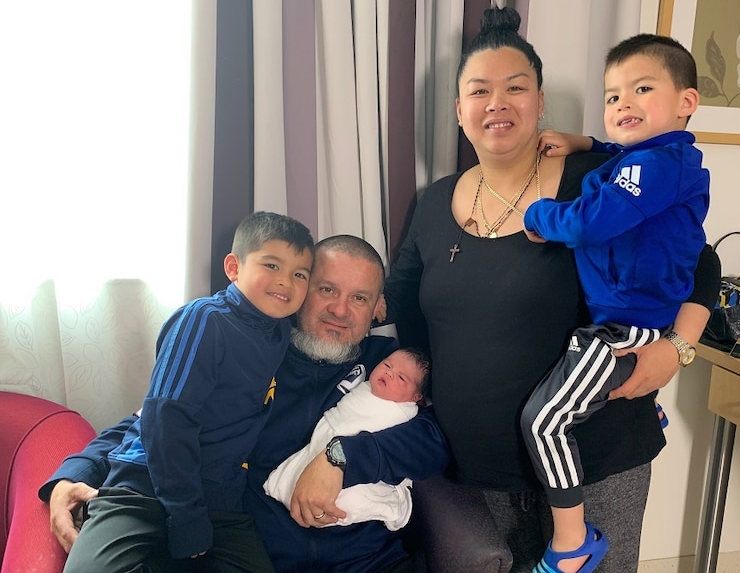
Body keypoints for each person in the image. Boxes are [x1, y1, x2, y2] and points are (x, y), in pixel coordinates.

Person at [382, 6, 720, 573]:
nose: (497, 103)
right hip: (475, 469)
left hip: (597, 461)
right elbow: (405, 304)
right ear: (460, 110)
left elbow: (700, 261)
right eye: (479, 91)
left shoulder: (595, 178)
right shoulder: (434, 203)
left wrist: (676, 349)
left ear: (540, 103)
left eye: (516, 88)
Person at [41, 235, 450, 573]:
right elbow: (156, 418)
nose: (340, 310)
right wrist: (74, 473)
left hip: (366, 560)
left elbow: (435, 439)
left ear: (378, 307)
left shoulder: (389, 366)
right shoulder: (248, 350)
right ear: (302, 289)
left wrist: (339, 456)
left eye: (359, 298)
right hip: (263, 554)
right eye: (327, 289)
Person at [519, 34, 709, 573]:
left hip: (628, 326)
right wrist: (586, 143)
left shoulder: (659, 167)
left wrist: (539, 216)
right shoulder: (651, 160)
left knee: (545, 423)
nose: (622, 103)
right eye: (611, 95)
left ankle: (572, 541)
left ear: (686, 103)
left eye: (641, 89)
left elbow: (589, 220)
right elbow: (625, 162)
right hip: (624, 319)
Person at [60, 211, 314, 572]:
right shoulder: (205, 319)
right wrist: (186, 517)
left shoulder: (279, 334)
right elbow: (167, 417)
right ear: (233, 267)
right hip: (145, 486)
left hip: (222, 500)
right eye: (271, 265)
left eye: (299, 274)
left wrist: (383, 306)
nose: (285, 282)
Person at [263, 347, 429, 531]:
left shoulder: (405, 415)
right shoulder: (364, 387)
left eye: (401, 378)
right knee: (292, 478)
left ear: (416, 397)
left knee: (349, 499)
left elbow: (409, 447)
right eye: (387, 365)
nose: (389, 373)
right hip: (325, 439)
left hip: (361, 466)